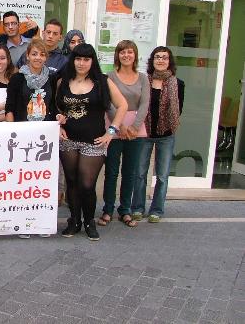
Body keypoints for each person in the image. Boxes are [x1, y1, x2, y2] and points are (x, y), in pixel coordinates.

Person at [56, 43, 127, 241]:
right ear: (73, 60)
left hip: (94, 142)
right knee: (71, 183)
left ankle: (89, 222)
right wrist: (59, 124)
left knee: (87, 185)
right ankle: (74, 221)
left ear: (92, 61)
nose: (81, 63)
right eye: (78, 58)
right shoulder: (63, 81)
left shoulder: (103, 82)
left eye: (86, 59)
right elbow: (59, 109)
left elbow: (122, 105)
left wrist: (111, 132)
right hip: (68, 141)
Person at [5, 39, 57, 239]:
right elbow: (10, 107)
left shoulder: (51, 78)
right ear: (27, 55)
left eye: (42, 54)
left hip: (45, 137)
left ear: (46, 57)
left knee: (42, 181)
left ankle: (42, 222)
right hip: (23, 135)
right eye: (34, 54)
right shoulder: (18, 79)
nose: (38, 58)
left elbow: (54, 106)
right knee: (22, 182)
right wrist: (11, 132)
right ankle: (23, 222)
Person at [99, 40, 150, 228]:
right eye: (122, 52)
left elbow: (145, 104)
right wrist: (118, 126)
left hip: (136, 131)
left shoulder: (143, 78)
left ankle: (125, 210)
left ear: (135, 55)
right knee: (111, 172)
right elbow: (109, 104)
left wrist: (135, 127)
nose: (126, 55)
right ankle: (107, 210)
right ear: (117, 55)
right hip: (114, 129)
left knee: (130, 172)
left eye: (130, 52)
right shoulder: (110, 76)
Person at [132, 46, 184, 223]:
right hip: (144, 133)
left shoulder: (178, 84)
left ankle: (157, 210)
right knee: (139, 173)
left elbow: (179, 110)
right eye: (157, 57)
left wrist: (167, 125)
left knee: (162, 176)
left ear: (170, 62)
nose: (161, 60)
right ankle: (137, 208)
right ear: (152, 61)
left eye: (164, 58)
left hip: (166, 135)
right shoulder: (144, 81)